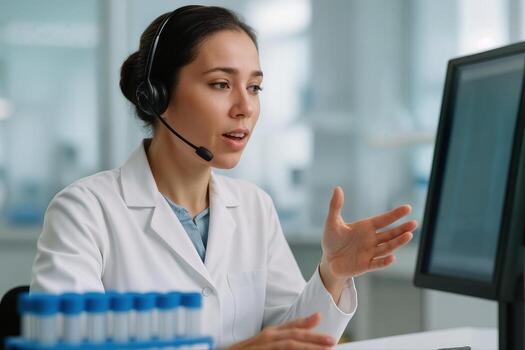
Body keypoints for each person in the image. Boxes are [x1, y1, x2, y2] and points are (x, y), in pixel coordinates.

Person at [31, 5, 417, 349]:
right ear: (157, 95)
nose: (245, 107)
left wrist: (331, 274)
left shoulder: (253, 206)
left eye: (254, 87)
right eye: (221, 84)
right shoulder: (84, 210)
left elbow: (292, 337)